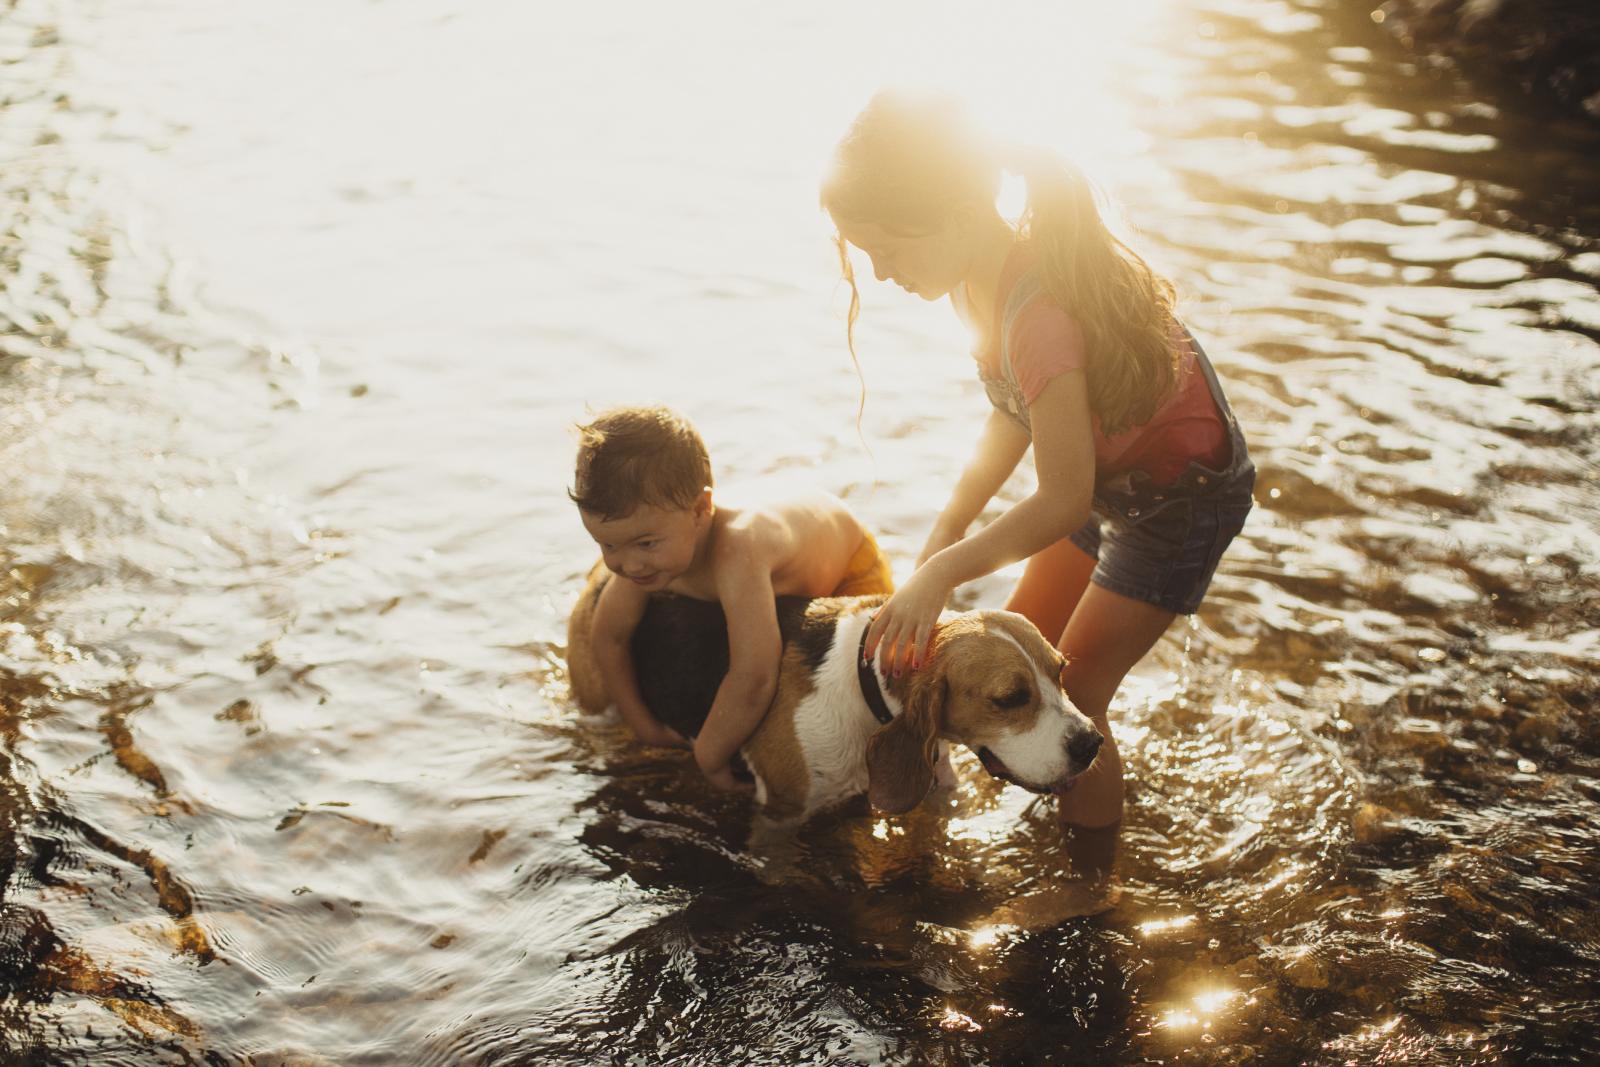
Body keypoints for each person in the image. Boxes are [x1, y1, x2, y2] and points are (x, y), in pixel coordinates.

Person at [821, 90, 1255, 834]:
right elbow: (1010, 411)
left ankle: (1092, 886)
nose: (883, 274)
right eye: (869, 258)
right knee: (1018, 648)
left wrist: (942, 571)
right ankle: (1010, 792)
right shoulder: (972, 280)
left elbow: (1060, 498)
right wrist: (951, 524)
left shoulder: (1041, 314)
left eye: (889, 251)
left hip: (1180, 501)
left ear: (955, 216)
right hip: (1109, 483)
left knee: (1079, 686)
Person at [570, 405, 894, 792]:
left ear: (701, 510)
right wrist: (643, 725)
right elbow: (610, 638)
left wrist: (709, 754)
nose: (626, 564)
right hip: (769, 548)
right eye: (607, 544)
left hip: (845, 566)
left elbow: (753, 675)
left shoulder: (738, 550)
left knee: (873, 686)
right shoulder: (641, 557)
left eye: (645, 543)